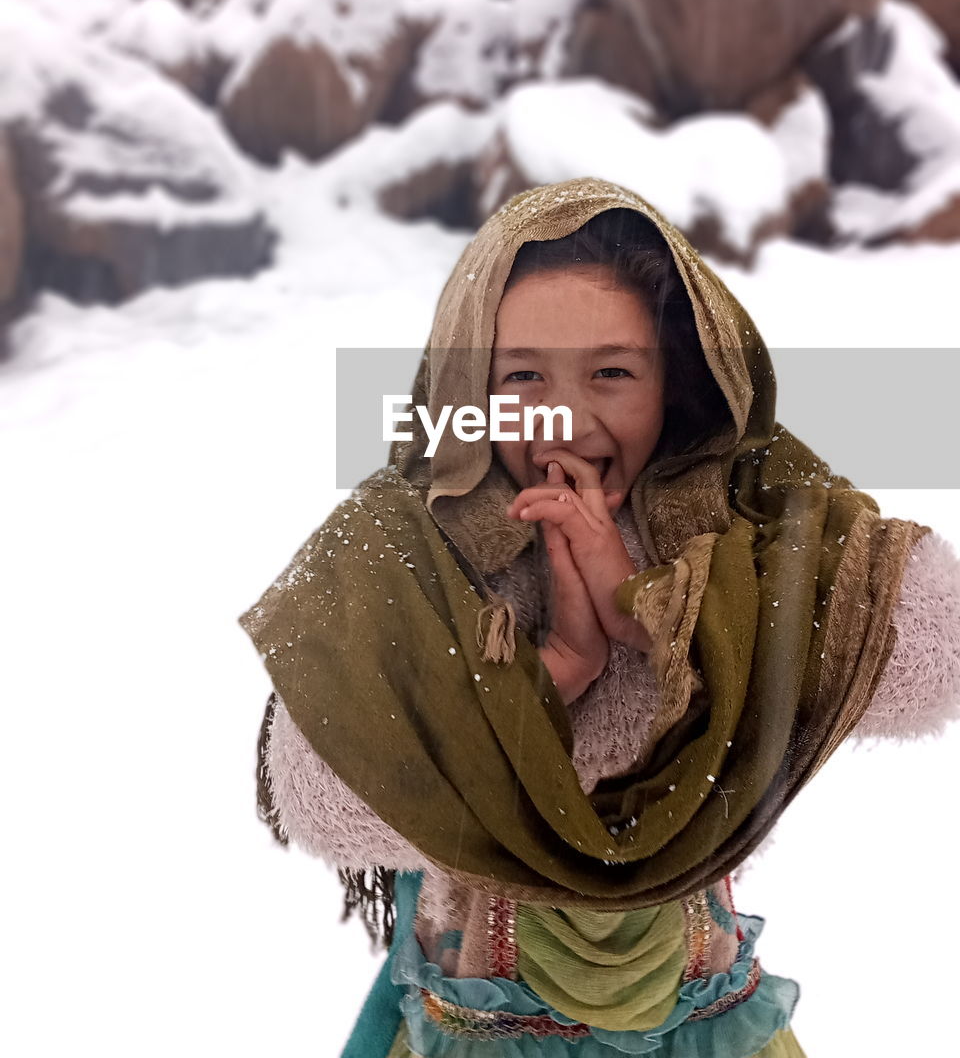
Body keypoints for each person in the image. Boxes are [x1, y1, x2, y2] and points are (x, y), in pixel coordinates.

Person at [238, 177, 960, 1058]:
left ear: (679, 382)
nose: (566, 418)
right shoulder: (408, 541)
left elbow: (936, 656)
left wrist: (659, 614)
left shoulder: (735, 524)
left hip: (710, 1034)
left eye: (613, 373)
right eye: (523, 375)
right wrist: (546, 676)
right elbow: (318, 803)